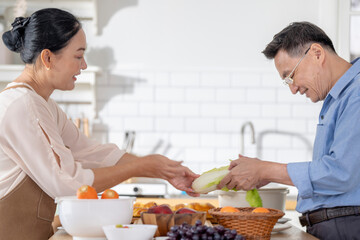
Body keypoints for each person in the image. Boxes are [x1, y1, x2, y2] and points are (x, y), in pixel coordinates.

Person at [0, 8, 199, 239]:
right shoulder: (23, 105)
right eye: (78, 56)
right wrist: (141, 167)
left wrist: (162, 169)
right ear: (48, 58)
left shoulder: (41, 104)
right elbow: (67, 183)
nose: (83, 65)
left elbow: (90, 152)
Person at [217, 22, 360, 239]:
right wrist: (264, 173)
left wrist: (264, 170)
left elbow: (341, 173)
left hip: (347, 226)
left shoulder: (356, 93)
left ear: (317, 53)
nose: (293, 89)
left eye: (290, 75)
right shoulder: (337, 98)